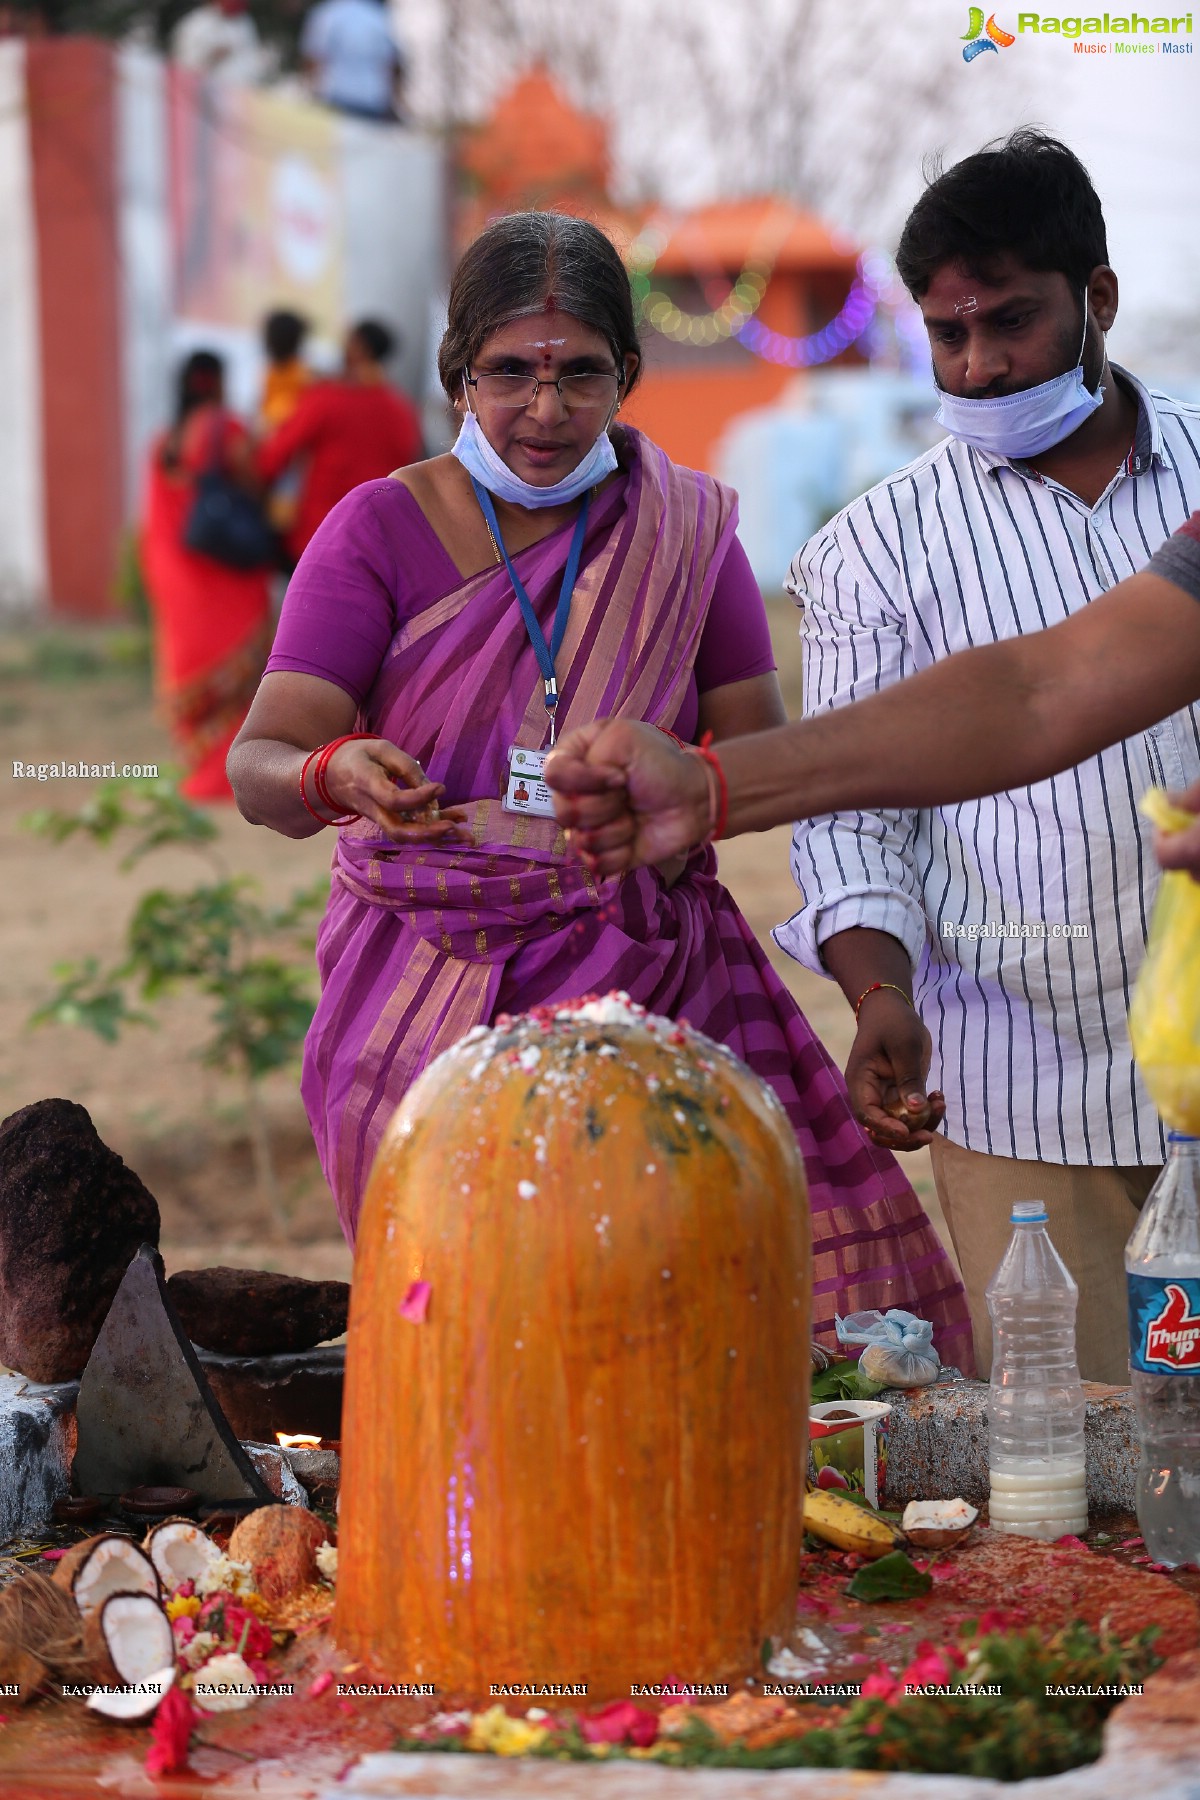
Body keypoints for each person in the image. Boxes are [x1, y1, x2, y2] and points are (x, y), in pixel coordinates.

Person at [227, 211, 974, 1366]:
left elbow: (760, 767)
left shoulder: (683, 533)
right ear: (457, 376)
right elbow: (259, 767)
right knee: (463, 1341)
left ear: (627, 374)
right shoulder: (378, 530)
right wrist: (331, 769)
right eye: (510, 373)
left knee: (647, 1325)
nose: (544, 409)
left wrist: (687, 802)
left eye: (580, 374)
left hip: (646, 989)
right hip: (419, 998)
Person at [552, 131, 1200, 1386]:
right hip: (1022, 1075)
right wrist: (879, 991)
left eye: (1010, 323)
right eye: (948, 335)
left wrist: (719, 786)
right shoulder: (876, 548)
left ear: (1100, 301)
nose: (980, 363)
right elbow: (979, 734)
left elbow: (1040, 691)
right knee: (1082, 1473)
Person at [140, 351, 273, 802]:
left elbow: (158, 515)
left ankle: (197, 772)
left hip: (174, 573)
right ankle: (228, 775)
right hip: (224, 574)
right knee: (242, 668)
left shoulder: (163, 442)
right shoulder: (225, 428)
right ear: (215, 381)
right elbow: (255, 480)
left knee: (191, 663)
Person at [256, 318, 423, 566]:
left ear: (360, 349)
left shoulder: (326, 398)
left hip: (318, 535)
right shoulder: (403, 410)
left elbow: (274, 456)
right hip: (379, 541)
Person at [300, 0, 406, 121]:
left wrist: (309, 95)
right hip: (372, 104)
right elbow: (391, 65)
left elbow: (313, 58)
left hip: (335, 100)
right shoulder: (380, 17)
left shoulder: (328, 13)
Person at [172, 0, 266, 84]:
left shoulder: (245, 23)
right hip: (202, 86)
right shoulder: (197, 24)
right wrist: (210, 56)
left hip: (240, 88)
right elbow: (183, 61)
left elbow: (251, 56)